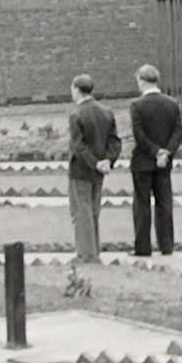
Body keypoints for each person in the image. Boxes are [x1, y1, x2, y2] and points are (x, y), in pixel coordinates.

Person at [127, 63, 182, 258]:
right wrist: (166, 152)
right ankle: (166, 245)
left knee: (142, 204)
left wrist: (155, 151)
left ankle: (143, 247)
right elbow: (178, 131)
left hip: (143, 160)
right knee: (164, 202)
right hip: (164, 163)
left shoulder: (137, 105)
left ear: (142, 80)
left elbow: (139, 135)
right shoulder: (172, 103)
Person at [65, 74, 120, 264]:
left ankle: (86, 254)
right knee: (94, 210)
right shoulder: (106, 112)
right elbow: (114, 140)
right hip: (99, 170)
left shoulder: (76, 115)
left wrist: (94, 162)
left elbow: (78, 146)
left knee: (81, 211)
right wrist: (107, 160)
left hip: (81, 169)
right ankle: (94, 250)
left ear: (77, 89)